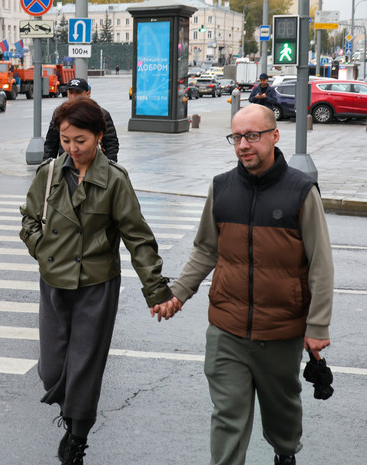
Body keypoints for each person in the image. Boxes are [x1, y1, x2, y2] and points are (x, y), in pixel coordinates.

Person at [152, 104, 334, 465]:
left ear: (274, 136)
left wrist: (317, 325)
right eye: (237, 137)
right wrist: (178, 293)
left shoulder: (300, 192)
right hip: (227, 328)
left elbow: (321, 264)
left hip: (280, 332)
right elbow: (206, 248)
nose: (243, 145)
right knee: (228, 417)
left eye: (252, 136)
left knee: (282, 414)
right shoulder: (222, 188)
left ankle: (285, 453)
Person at [20, 98, 174, 465]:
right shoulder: (49, 174)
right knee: (52, 368)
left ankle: (77, 435)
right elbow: (28, 220)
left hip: (96, 284)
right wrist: (42, 249)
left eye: (81, 141)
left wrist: (156, 289)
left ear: (99, 137)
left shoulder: (115, 180)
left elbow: (138, 238)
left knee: (86, 364)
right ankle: (71, 407)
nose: (73, 149)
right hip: (54, 281)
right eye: (66, 140)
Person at [43, 78, 119, 162]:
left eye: (78, 93)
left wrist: (108, 167)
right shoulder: (60, 113)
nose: (73, 96)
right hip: (66, 165)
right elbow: (51, 143)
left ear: (87, 94)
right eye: (71, 93)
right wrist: (47, 167)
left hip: (93, 165)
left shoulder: (101, 114)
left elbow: (111, 144)